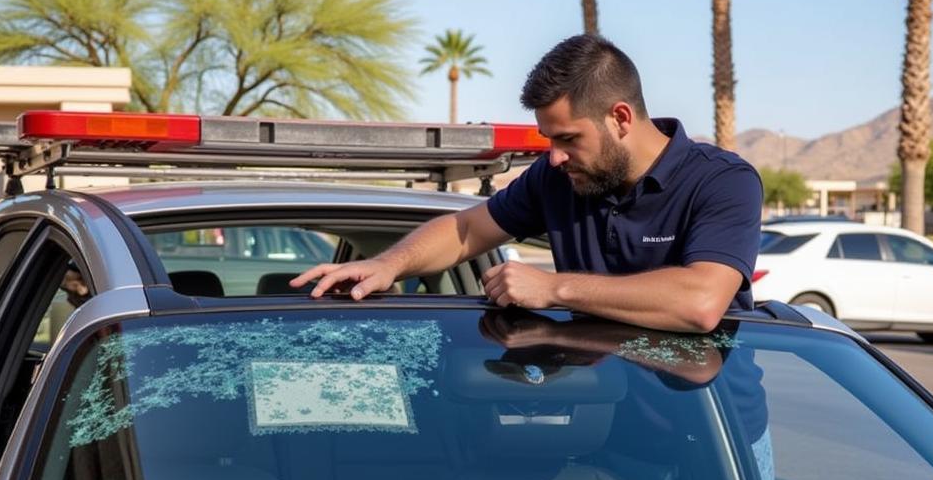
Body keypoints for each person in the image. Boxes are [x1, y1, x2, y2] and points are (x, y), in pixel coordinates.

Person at [292, 33, 763, 334]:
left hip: (714, 436)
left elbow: (700, 303)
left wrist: (554, 289)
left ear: (620, 117)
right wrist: (388, 264)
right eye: (549, 139)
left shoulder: (723, 182)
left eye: (568, 138)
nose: (553, 155)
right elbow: (467, 231)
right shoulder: (557, 177)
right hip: (606, 421)